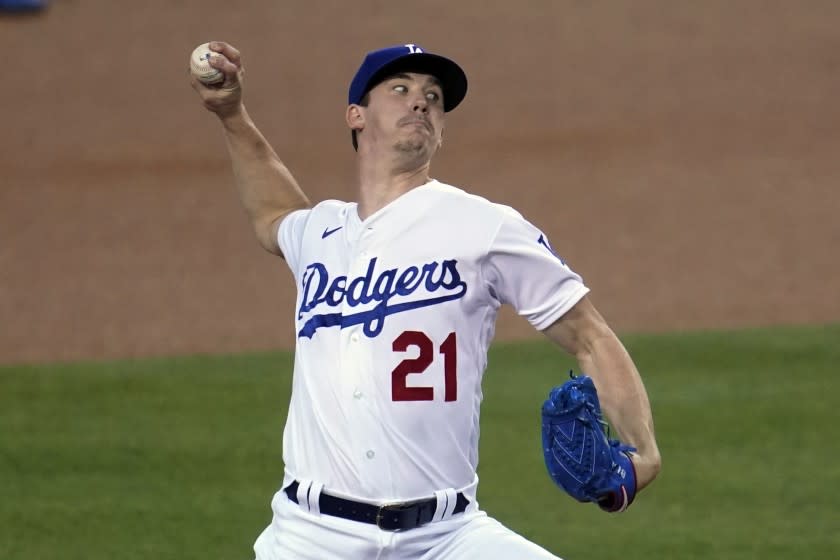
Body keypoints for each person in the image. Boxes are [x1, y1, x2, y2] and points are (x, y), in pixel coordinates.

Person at [190, 41, 661, 560]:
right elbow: (273, 214)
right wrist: (231, 113)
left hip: (448, 536)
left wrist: (643, 453)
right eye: (400, 89)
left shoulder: (484, 226)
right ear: (356, 115)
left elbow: (588, 334)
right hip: (310, 538)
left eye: (434, 97)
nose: (421, 102)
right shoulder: (319, 233)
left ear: (441, 129)